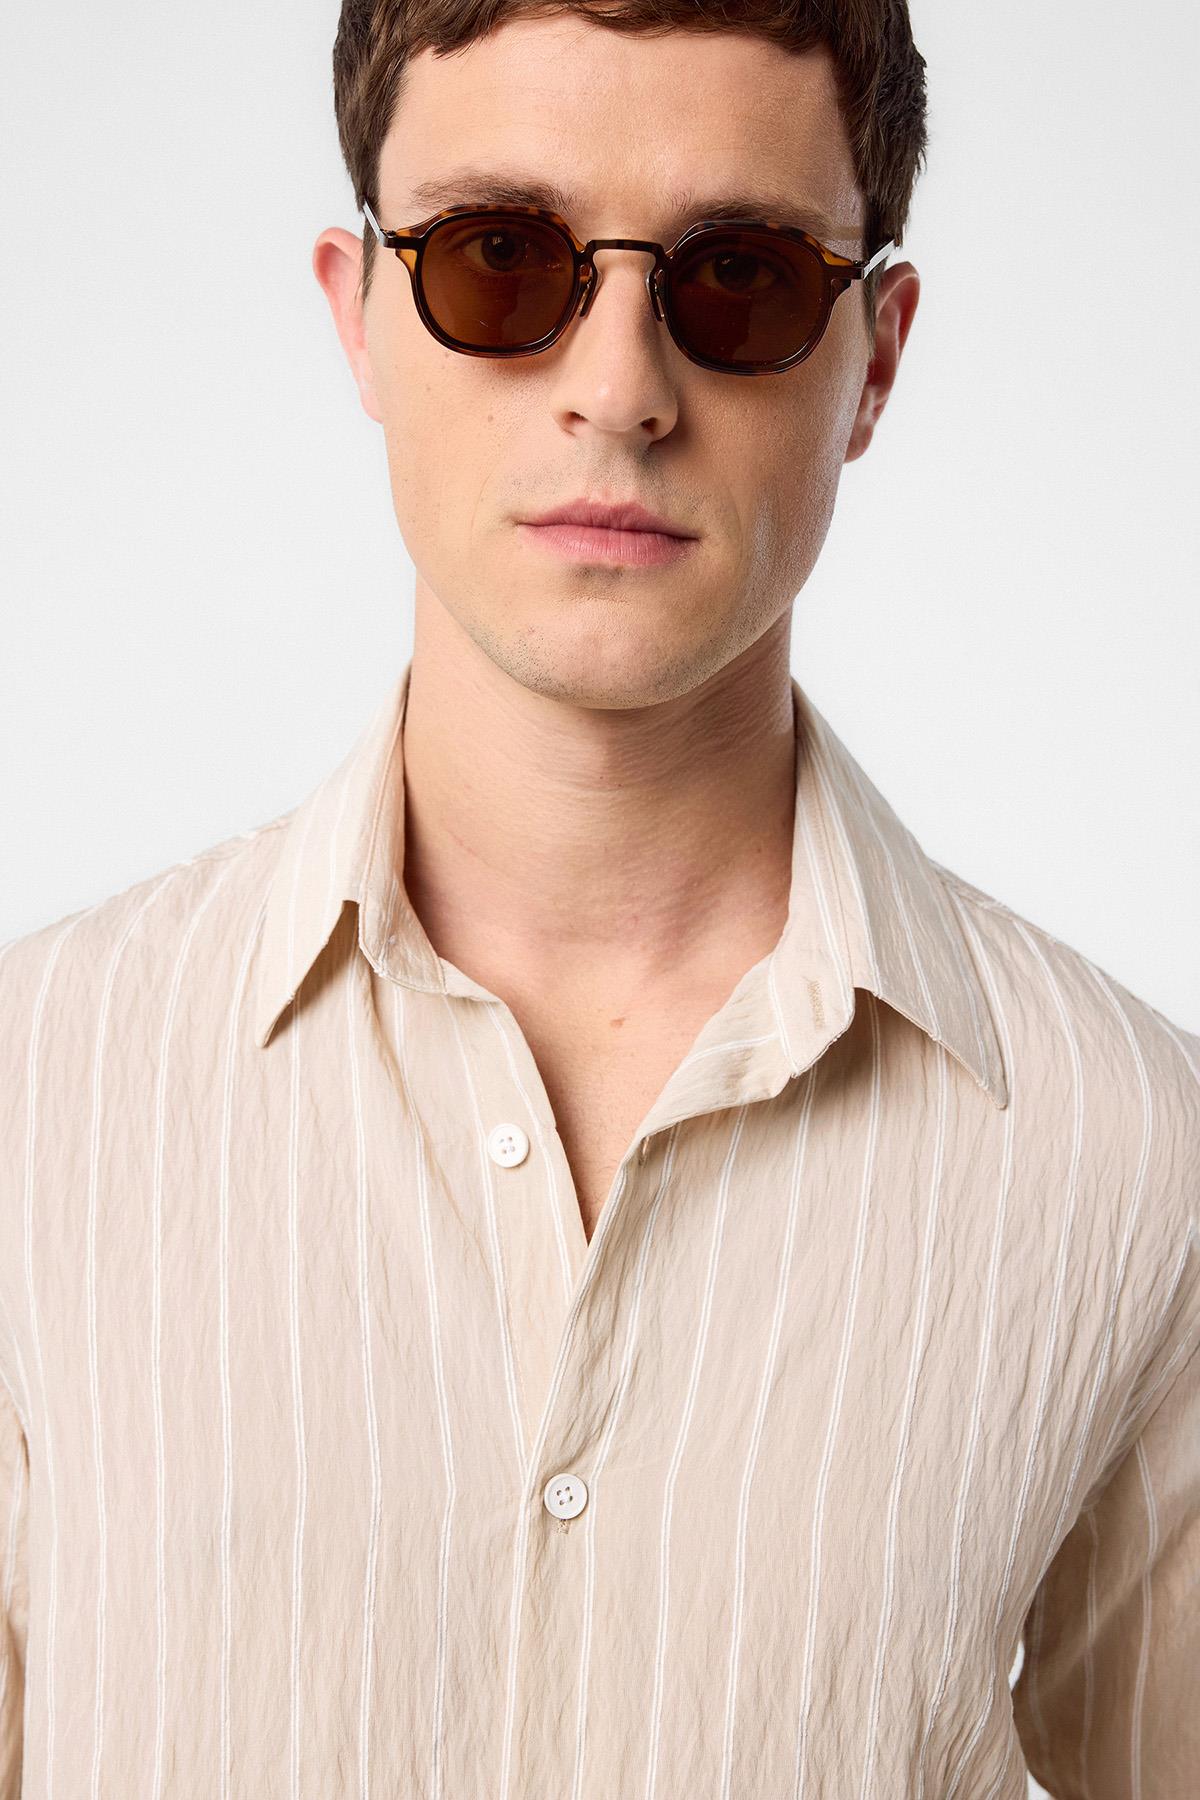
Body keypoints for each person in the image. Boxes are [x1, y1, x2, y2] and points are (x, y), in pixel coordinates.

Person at [1, 3, 1196, 1795]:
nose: (619, 388)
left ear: (875, 361)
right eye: (501, 259)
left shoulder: (1139, 1166)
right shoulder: (36, 1098)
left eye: (740, 279)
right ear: (359, 312)